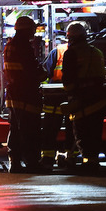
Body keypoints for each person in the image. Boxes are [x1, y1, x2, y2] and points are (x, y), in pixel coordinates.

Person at [61, 22, 106, 171]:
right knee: (95, 133)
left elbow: (68, 81)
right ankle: (93, 161)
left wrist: (71, 95)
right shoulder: (96, 51)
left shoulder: (71, 53)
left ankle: (88, 164)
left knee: (82, 134)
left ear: (70, 38)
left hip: (83, 102)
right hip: (100, 101)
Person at [3, 15, 47, 173]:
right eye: (32, 29)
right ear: (26, 29)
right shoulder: (23, 46)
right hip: (26, 94)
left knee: (15, 129)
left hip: (14, 94)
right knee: (30, 130)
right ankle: (32, 163)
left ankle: (14, 161)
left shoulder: (10, 45)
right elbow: (31, 71)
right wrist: (42, 74)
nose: (34, 33)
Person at [40, 40, 74, 169]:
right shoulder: (90, 51)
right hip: (76, 95)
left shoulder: (58, 51)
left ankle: (48, 157)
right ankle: (72, 156)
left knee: (50, 127)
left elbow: (45, 72)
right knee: (75, 127)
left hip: (55, 95)